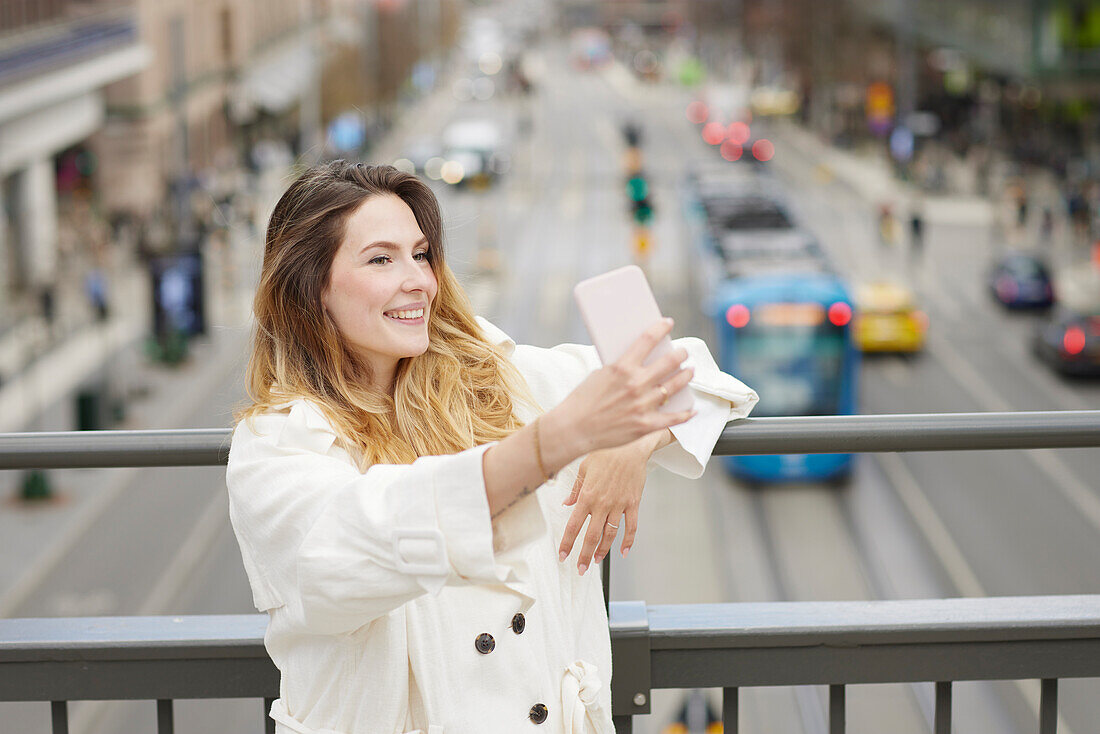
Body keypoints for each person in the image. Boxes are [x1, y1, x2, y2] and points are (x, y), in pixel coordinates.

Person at [226, 161, 758, 734]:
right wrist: (554, 443)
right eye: (382, 258)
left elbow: (696, 373)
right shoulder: (277, 444)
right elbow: (361, 540)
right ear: (311, 291)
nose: (419, 281)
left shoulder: (495, 381)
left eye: (422, 254)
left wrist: (630, 444)